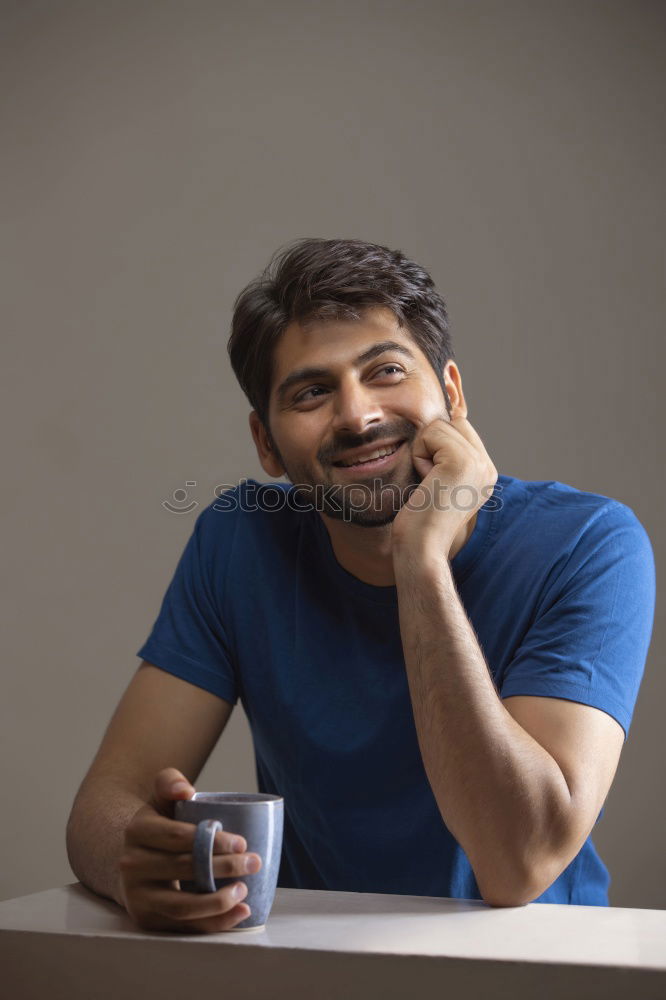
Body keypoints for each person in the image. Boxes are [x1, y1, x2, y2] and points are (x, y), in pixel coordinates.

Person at [66, 237, 655, 933]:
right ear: (266, 444)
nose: (356, 415)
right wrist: (129, 862)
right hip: (319, 967)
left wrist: (420, 562)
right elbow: (106, 804)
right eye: (312, 392)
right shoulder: (238, 544)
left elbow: (517, 862)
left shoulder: (588, 544)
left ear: (454, 395)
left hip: (536, 966)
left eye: (385, 371)